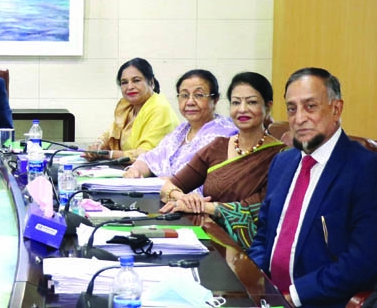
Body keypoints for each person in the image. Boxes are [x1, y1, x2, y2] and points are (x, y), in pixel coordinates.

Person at [248, 68, 377, 308]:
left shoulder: (365, 169)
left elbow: (362, 261)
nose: (298, 118)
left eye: (310, 106)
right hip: (267, 297)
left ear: (336, 109)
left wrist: (293, 296)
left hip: (318, 300)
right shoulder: (283, 162)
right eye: (291, 108)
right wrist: (252, 280)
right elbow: (264, 235)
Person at [159, 72, 285, 249]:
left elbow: (254, 210)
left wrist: (204, 207)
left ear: (268, 106)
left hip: (252, 252)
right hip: (208, 240)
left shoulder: (282, 156)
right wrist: (184, 199)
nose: (242, 109)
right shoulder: (218, 146)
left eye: (251, 102)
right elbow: (169, 186)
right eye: (236, 102)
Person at [124, 69, 237, 178]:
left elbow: (213, 180)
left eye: (198, 95)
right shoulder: (181, 131)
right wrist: (136, 170)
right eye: (184, 95)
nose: (190, 102)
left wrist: (171, 183)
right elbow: (150, 159)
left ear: (215, 99)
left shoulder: (225, 133)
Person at [85, 58, 179, 163]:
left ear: (151, 82)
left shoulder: (160, 109)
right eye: (124, 82)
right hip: (128, 170)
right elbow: (109, 134)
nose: (129, 87)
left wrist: (108, 154)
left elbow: (147, 155)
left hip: (152, 175)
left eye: (136, 80)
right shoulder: (128, 107)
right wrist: (98, 145)